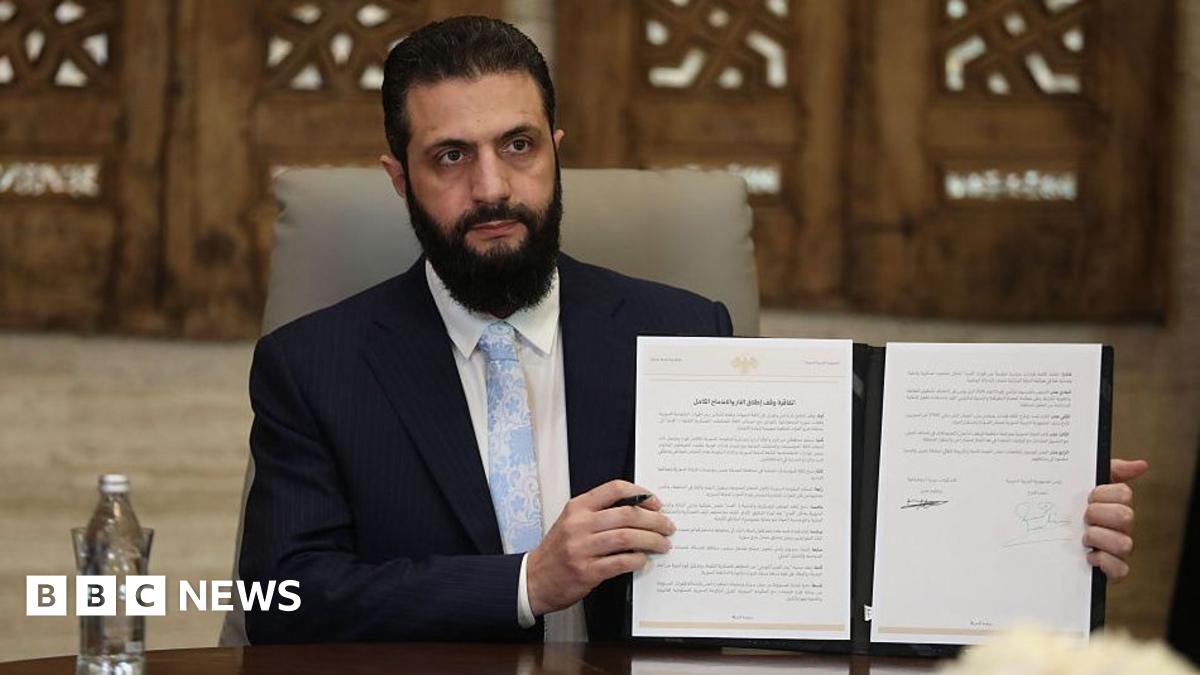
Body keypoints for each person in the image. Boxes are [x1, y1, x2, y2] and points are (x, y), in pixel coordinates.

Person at [238, 16, 1145, 644]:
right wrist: (526, 582)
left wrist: (1032, 519)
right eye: (450, 157)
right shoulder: (313, 366)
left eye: (518, 145)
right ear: (399, 179)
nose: (492, 188)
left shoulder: (683, 331)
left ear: (557, 149)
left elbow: (827, 549)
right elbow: (282, 599)